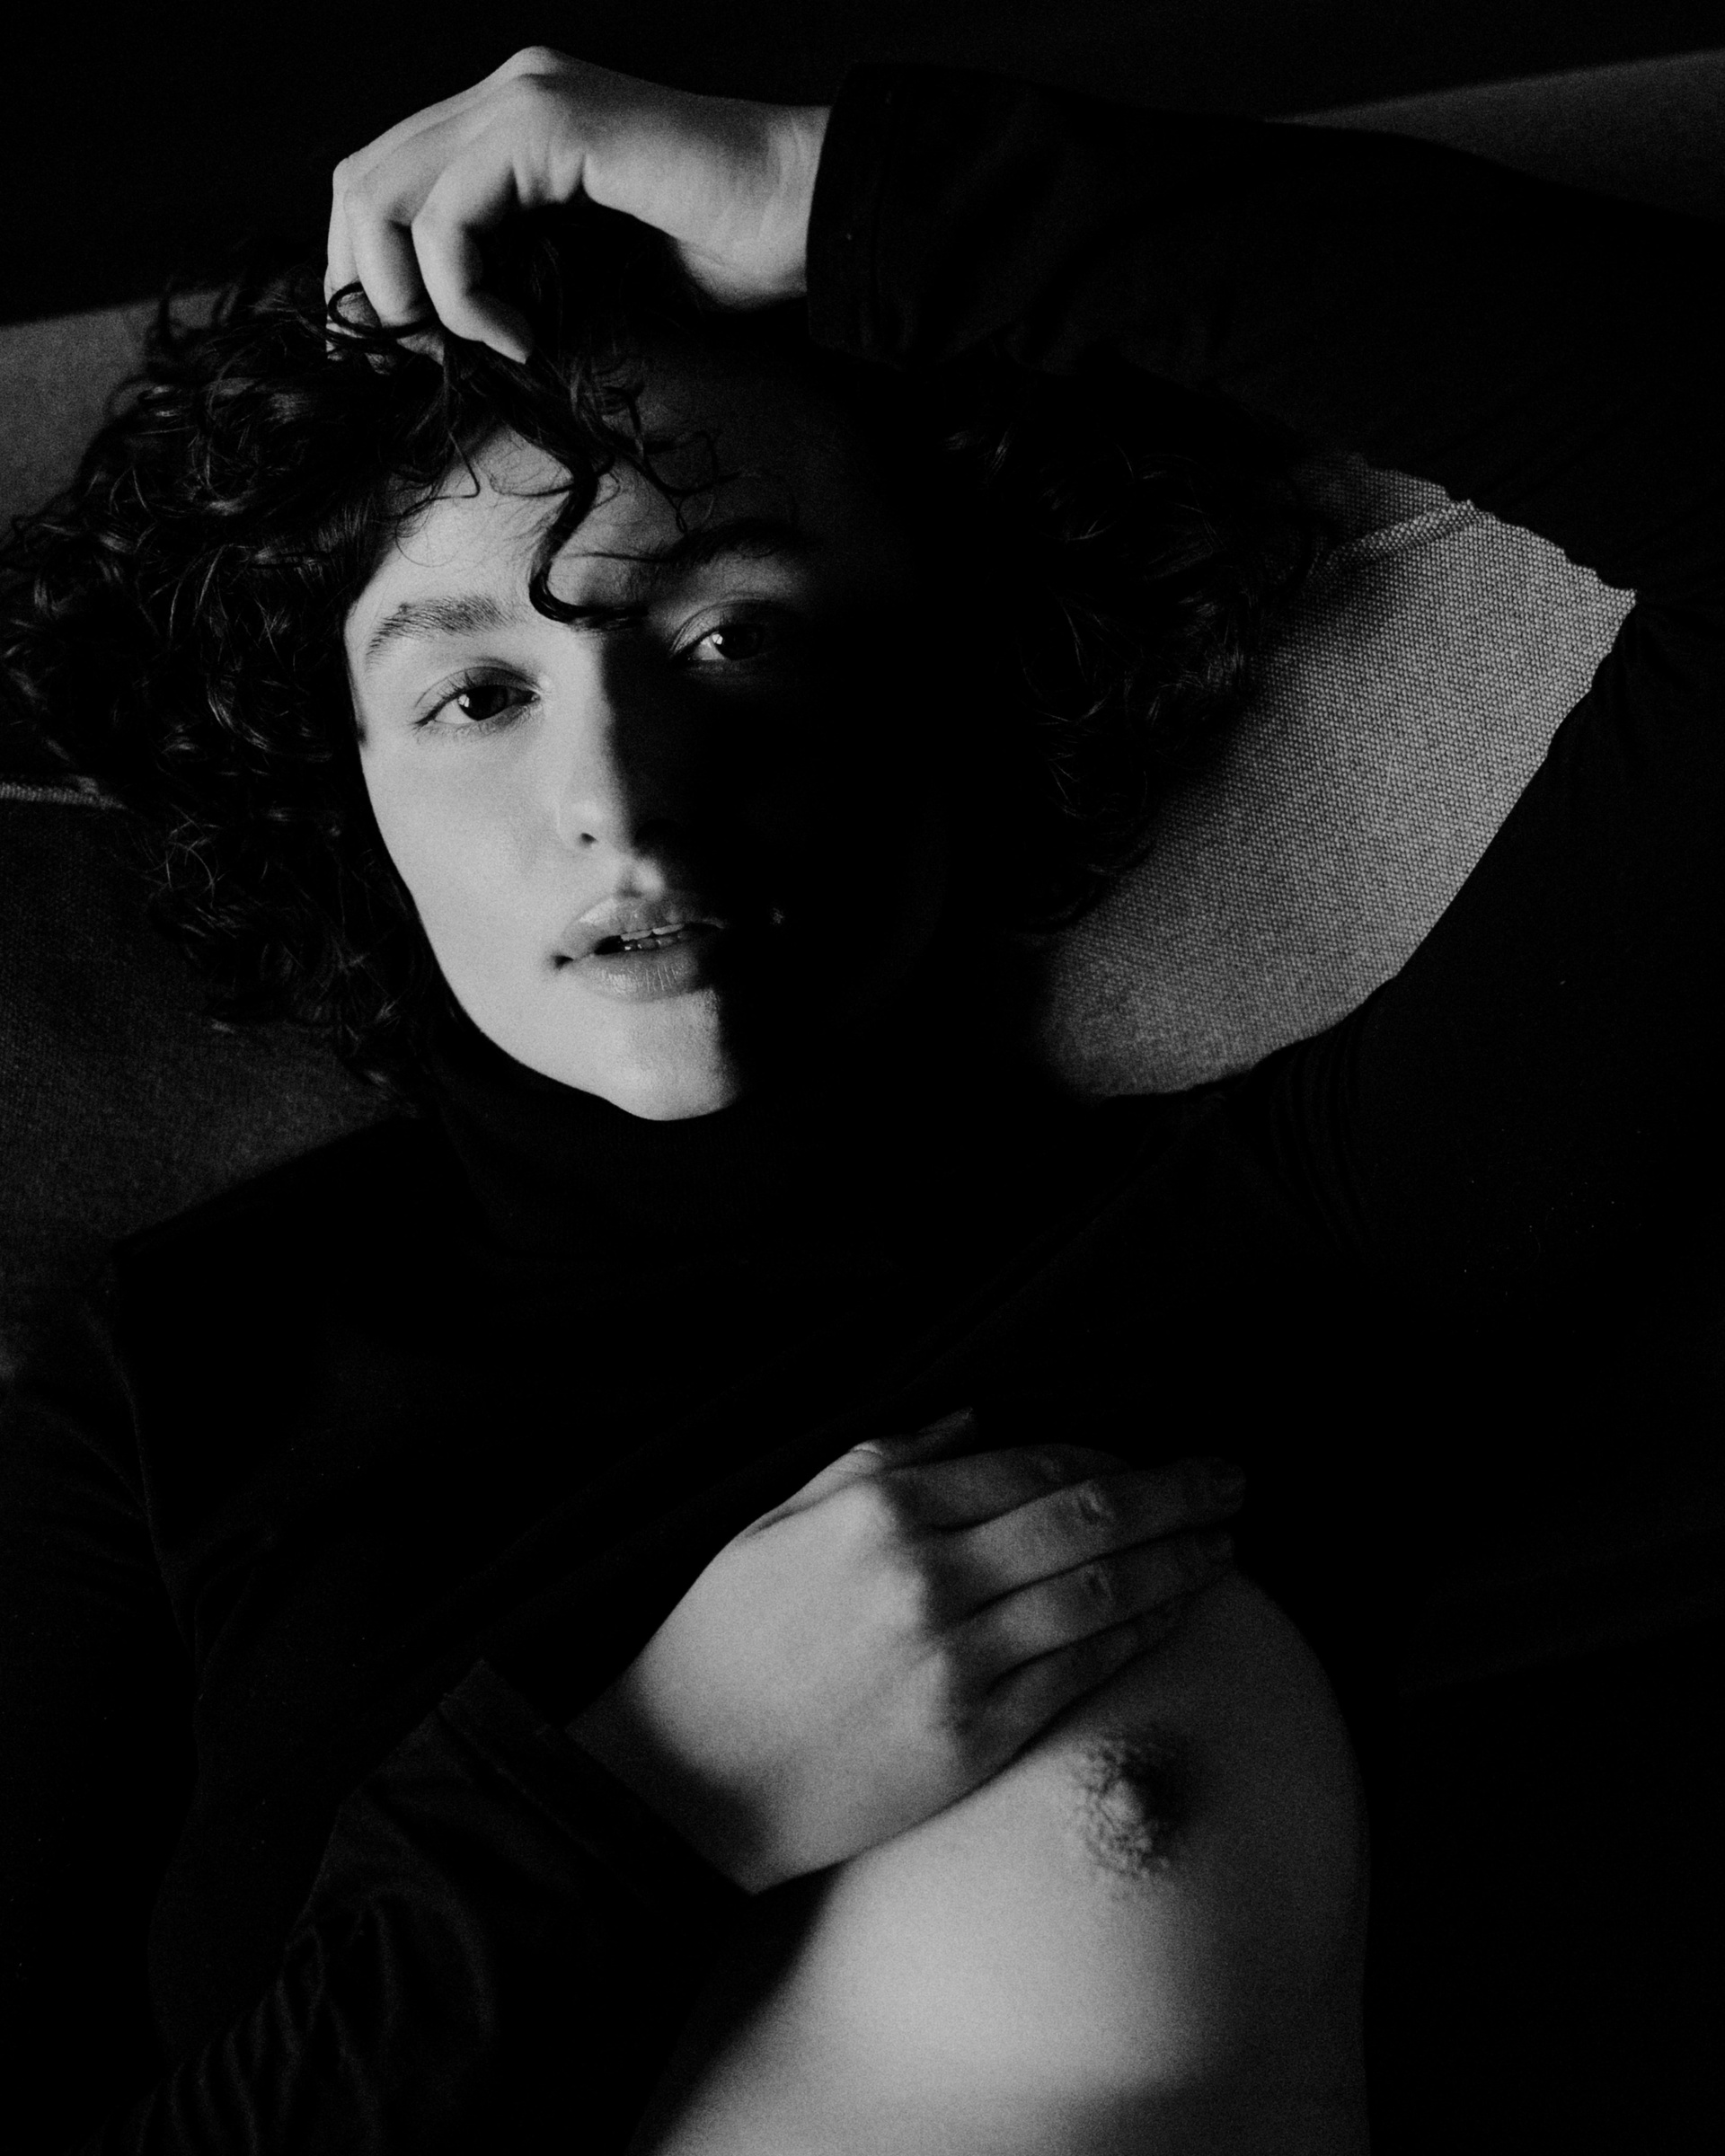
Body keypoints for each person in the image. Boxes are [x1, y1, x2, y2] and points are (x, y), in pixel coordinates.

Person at [0, 41, 1717, 2155]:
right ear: (345, 791)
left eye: (733, 640)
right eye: (473, 692)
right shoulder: (166, 1381)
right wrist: (646, 1799)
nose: (619, 800)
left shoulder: (1285, 1241)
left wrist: (861, 201)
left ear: (943, 678)